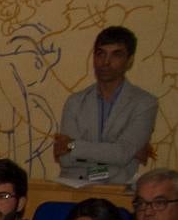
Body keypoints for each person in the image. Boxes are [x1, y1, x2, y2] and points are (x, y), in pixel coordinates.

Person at [55, 26, 157, 185]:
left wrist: (73, 145)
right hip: (74, 191)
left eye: (116, 55)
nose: (106, 62)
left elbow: (122, 153)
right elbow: (66, 160)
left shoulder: (144, 103)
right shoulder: (75, 102)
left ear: (130, 60)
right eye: (100, 54)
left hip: (117, 192)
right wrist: (116, 161)